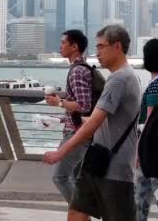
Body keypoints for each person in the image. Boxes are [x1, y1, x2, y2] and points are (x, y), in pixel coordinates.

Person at [43, 25, 141, 221]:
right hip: (97, 163)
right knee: (76, 212)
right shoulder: (123, 76)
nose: (97, 53)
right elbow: (102, 120)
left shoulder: (120, 79)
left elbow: (94, 120)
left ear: (117, 47)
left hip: (114, 168)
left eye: (101, 47)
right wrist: (60, 119)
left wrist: (61, 152)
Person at [44, 30, 93, 203]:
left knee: (60, 177)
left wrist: (59, 102)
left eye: (64, 42)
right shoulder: (82, 68)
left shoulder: (77, 71)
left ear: (75, 47)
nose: (60, 45)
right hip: (80, 129)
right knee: (74, 178)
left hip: (78, 133)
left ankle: (81, 214)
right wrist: (58, 119)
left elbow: (83, 105)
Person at [135, 38, 158, 221]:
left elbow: (150, 124)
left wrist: (139, 151)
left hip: (152, 153)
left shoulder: (157, 85)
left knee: (146, 200)